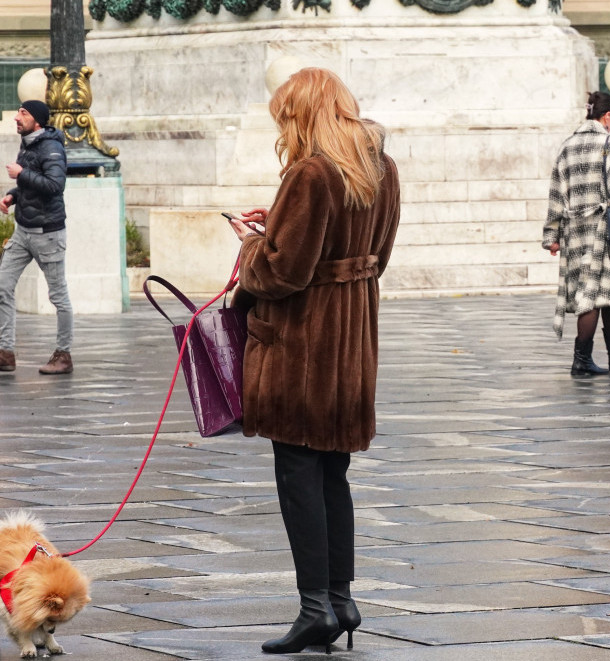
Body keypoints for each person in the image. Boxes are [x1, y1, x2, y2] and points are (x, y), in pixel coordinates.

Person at [227, 67, 401, 654]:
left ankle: (314, 609)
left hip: (301, 347)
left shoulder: (310, 172)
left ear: (302, 114)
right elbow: (374, 254)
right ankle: (342, 599)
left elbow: (283, 272)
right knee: (333, 475)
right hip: (351, 342)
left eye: (286, 117)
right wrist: (275, 225)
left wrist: (252, 244)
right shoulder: (381, 166)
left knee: (298, 475)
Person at [0, 100, 74, 375]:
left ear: (37, 121)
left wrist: (22, 174)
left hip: (48, 234)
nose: (17, 117)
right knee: (3, 287)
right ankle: (5, 353)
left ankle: (63, 355)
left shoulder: (52, 147)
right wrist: (13, 195)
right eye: (18, 111)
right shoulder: (28, 144)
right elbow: (31, 185)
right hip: (22, 232)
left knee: (59, 297)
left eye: (24, 113)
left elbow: (55, 186)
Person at [544, 91, 610, 376]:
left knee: (603, 290)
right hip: (605, 230)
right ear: (606, 116)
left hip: (575, 231)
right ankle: (581, 359)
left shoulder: (567, 146)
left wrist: (552, 235)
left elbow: (556, 193)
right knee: (592, 295)